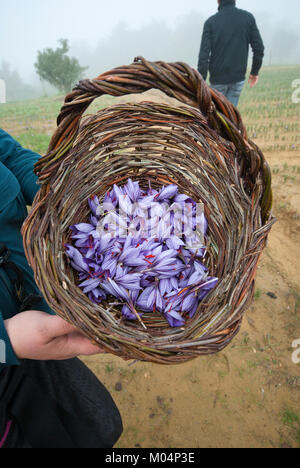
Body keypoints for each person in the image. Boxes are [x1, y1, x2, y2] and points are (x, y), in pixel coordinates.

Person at [0, 128, 123, 448]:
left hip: (26, 316)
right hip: (11, 342)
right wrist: (8, 340)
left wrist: (60, 192)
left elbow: (10, 155)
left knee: (102, 426)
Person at [197, 0, 265, 107]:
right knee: (230, 117)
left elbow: (203, 57)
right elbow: (259, 48)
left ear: (218, 1)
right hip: (237, 79)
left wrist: (201, 82)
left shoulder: (210, 23)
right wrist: (254, 72)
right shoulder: (247, 18)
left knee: (217, 118)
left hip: (217, 80)